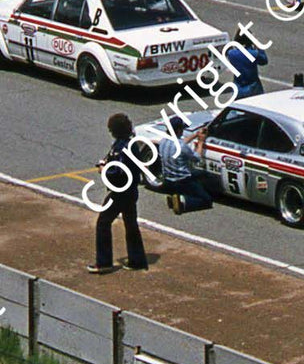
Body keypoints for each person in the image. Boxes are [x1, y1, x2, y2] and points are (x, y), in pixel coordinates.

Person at [88, 113, 149, 273]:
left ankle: (104, 262)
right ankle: (137, 260)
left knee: (103, 223)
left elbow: (116, 172)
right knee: (131, 224)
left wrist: (103, 169)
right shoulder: (129, 143)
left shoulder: (122, 147)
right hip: (130, 191)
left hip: (120, 192)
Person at [155, 113, 213, 215]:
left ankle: (175, 196)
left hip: (168, 180)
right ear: (178, 130)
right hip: (183, 181)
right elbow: (196, 158)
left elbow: (182, 142)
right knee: (207, 200)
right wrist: (200, 141)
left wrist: (195, 134)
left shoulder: (163, 142)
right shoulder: (182, 146)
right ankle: (183, 200)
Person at [226, 27, 269, 99]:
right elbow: (264, 60)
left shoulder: (232, 54)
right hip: (253, 89)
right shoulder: (253, 54)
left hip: (238, 89)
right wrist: (257, 45)